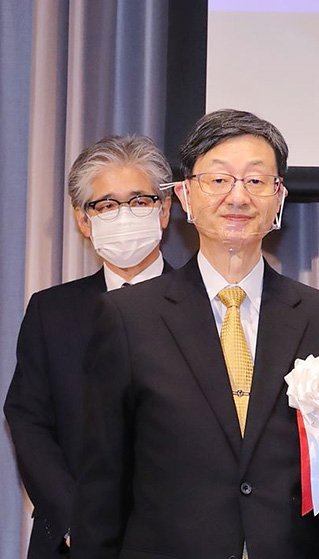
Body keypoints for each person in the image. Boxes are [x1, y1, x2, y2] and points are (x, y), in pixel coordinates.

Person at [71, 109, 319, 559]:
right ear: (186, 196)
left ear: (278, 197)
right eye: (218, 180)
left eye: (256, 181)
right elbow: (102, 482)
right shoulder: (127, 317)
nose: (238, 196)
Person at [4, 135, 173, 558]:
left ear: (165, 210)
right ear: (83, 220)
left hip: (181, 537)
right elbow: (27, 419)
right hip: (72, 541)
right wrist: (74, 517)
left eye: (139, 201)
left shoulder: (207, 306)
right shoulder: (51, 310)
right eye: (107, 205)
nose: (125, 215)